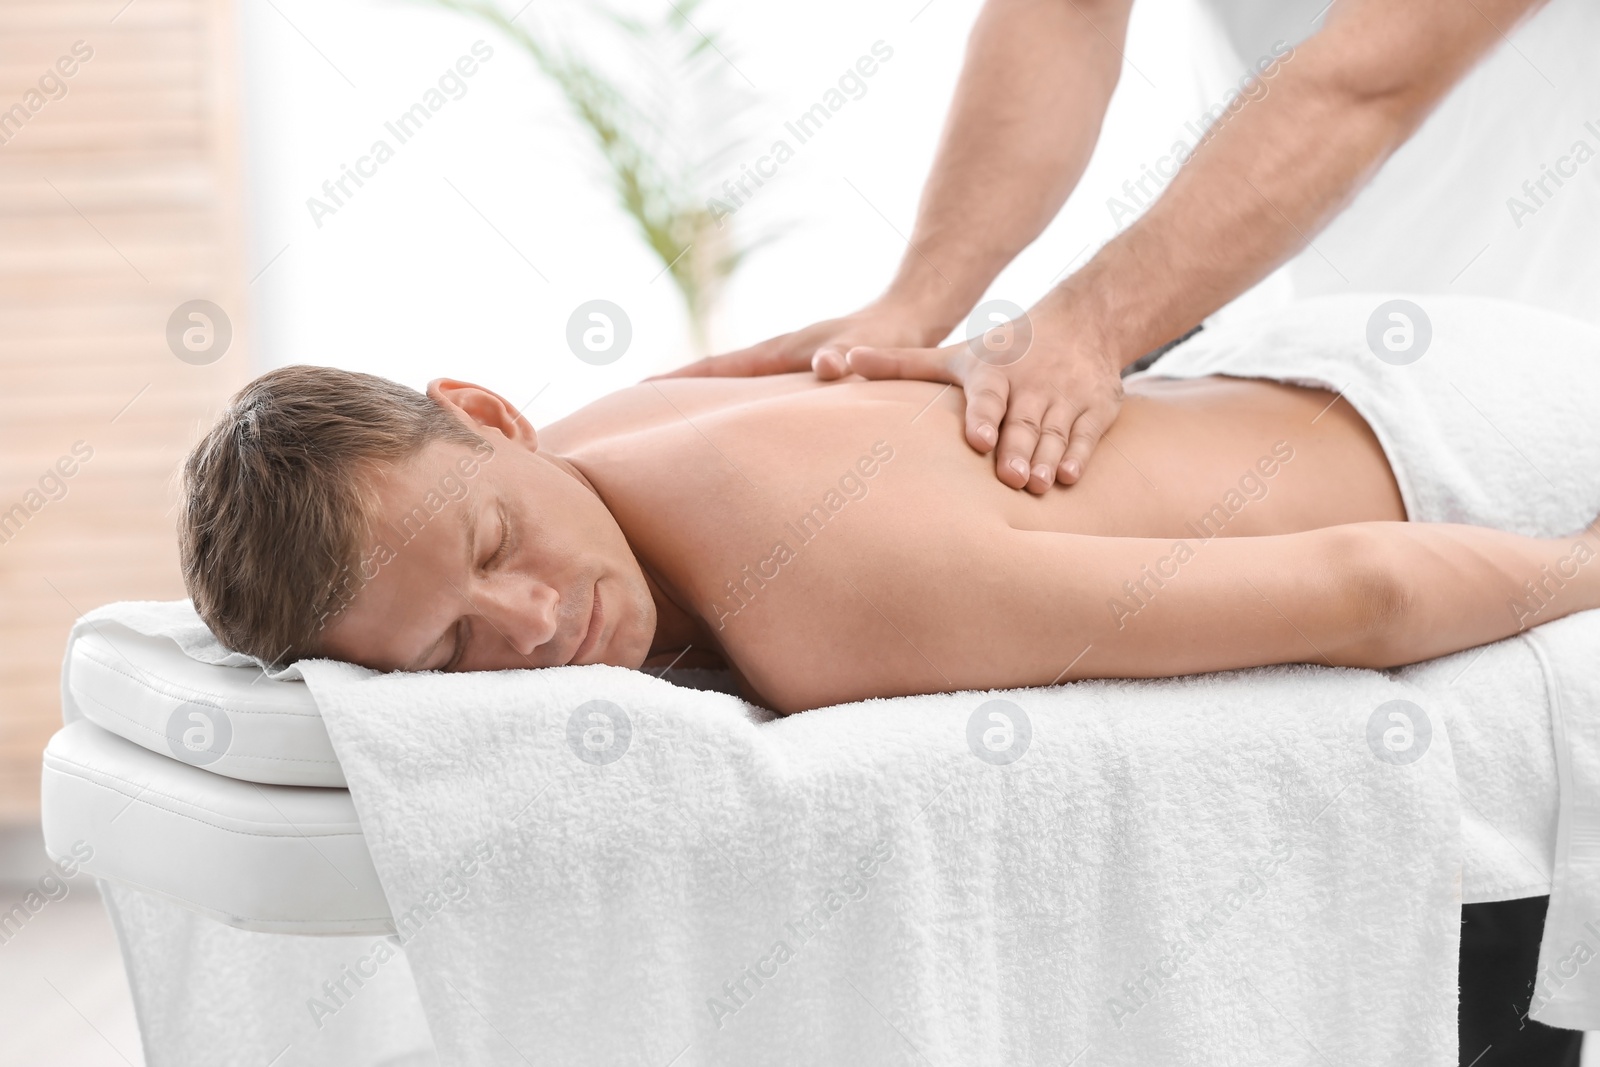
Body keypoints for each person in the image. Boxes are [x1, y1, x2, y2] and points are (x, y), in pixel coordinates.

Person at [176, 305, 1599, 718]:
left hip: (1475, 442)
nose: (537, 623)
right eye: (445, 654)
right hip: (1325, 355)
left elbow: (1368, 592)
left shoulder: (819, 594)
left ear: (490, 414)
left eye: (494, 550)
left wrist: (1584, 565)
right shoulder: (595, 447)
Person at [659, 0, 1560, 498]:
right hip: (1350, 348)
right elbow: (1064, 14)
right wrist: (914, 307)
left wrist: (1090, 326)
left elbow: (1370, 77)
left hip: (1551, 347)